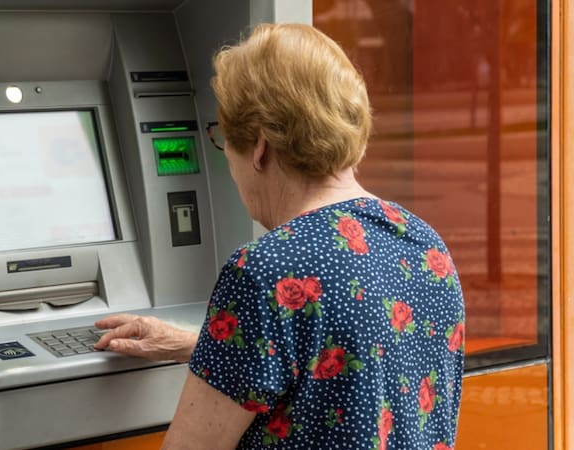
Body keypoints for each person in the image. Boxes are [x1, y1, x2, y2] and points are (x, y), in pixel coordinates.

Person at [94, 23, 464, 450]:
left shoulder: (264, 272)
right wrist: (198, 346)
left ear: (259, 146)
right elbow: (350, 360)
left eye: (223, 139)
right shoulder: (423, 245)